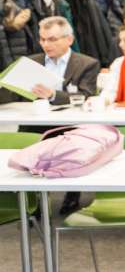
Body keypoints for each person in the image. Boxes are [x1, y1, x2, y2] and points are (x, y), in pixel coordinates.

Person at [0, 16, 100, 217]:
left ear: (69, 39)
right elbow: (11, 95)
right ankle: (34, 199)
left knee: (70, 144)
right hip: (35, 123)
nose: (46, 44)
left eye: (52, 39)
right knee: (29, 145)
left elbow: (85, 94)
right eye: (42, 39)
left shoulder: (87, 64)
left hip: (70, 124)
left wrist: (53, 95)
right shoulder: (30, 63)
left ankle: (72, 194)